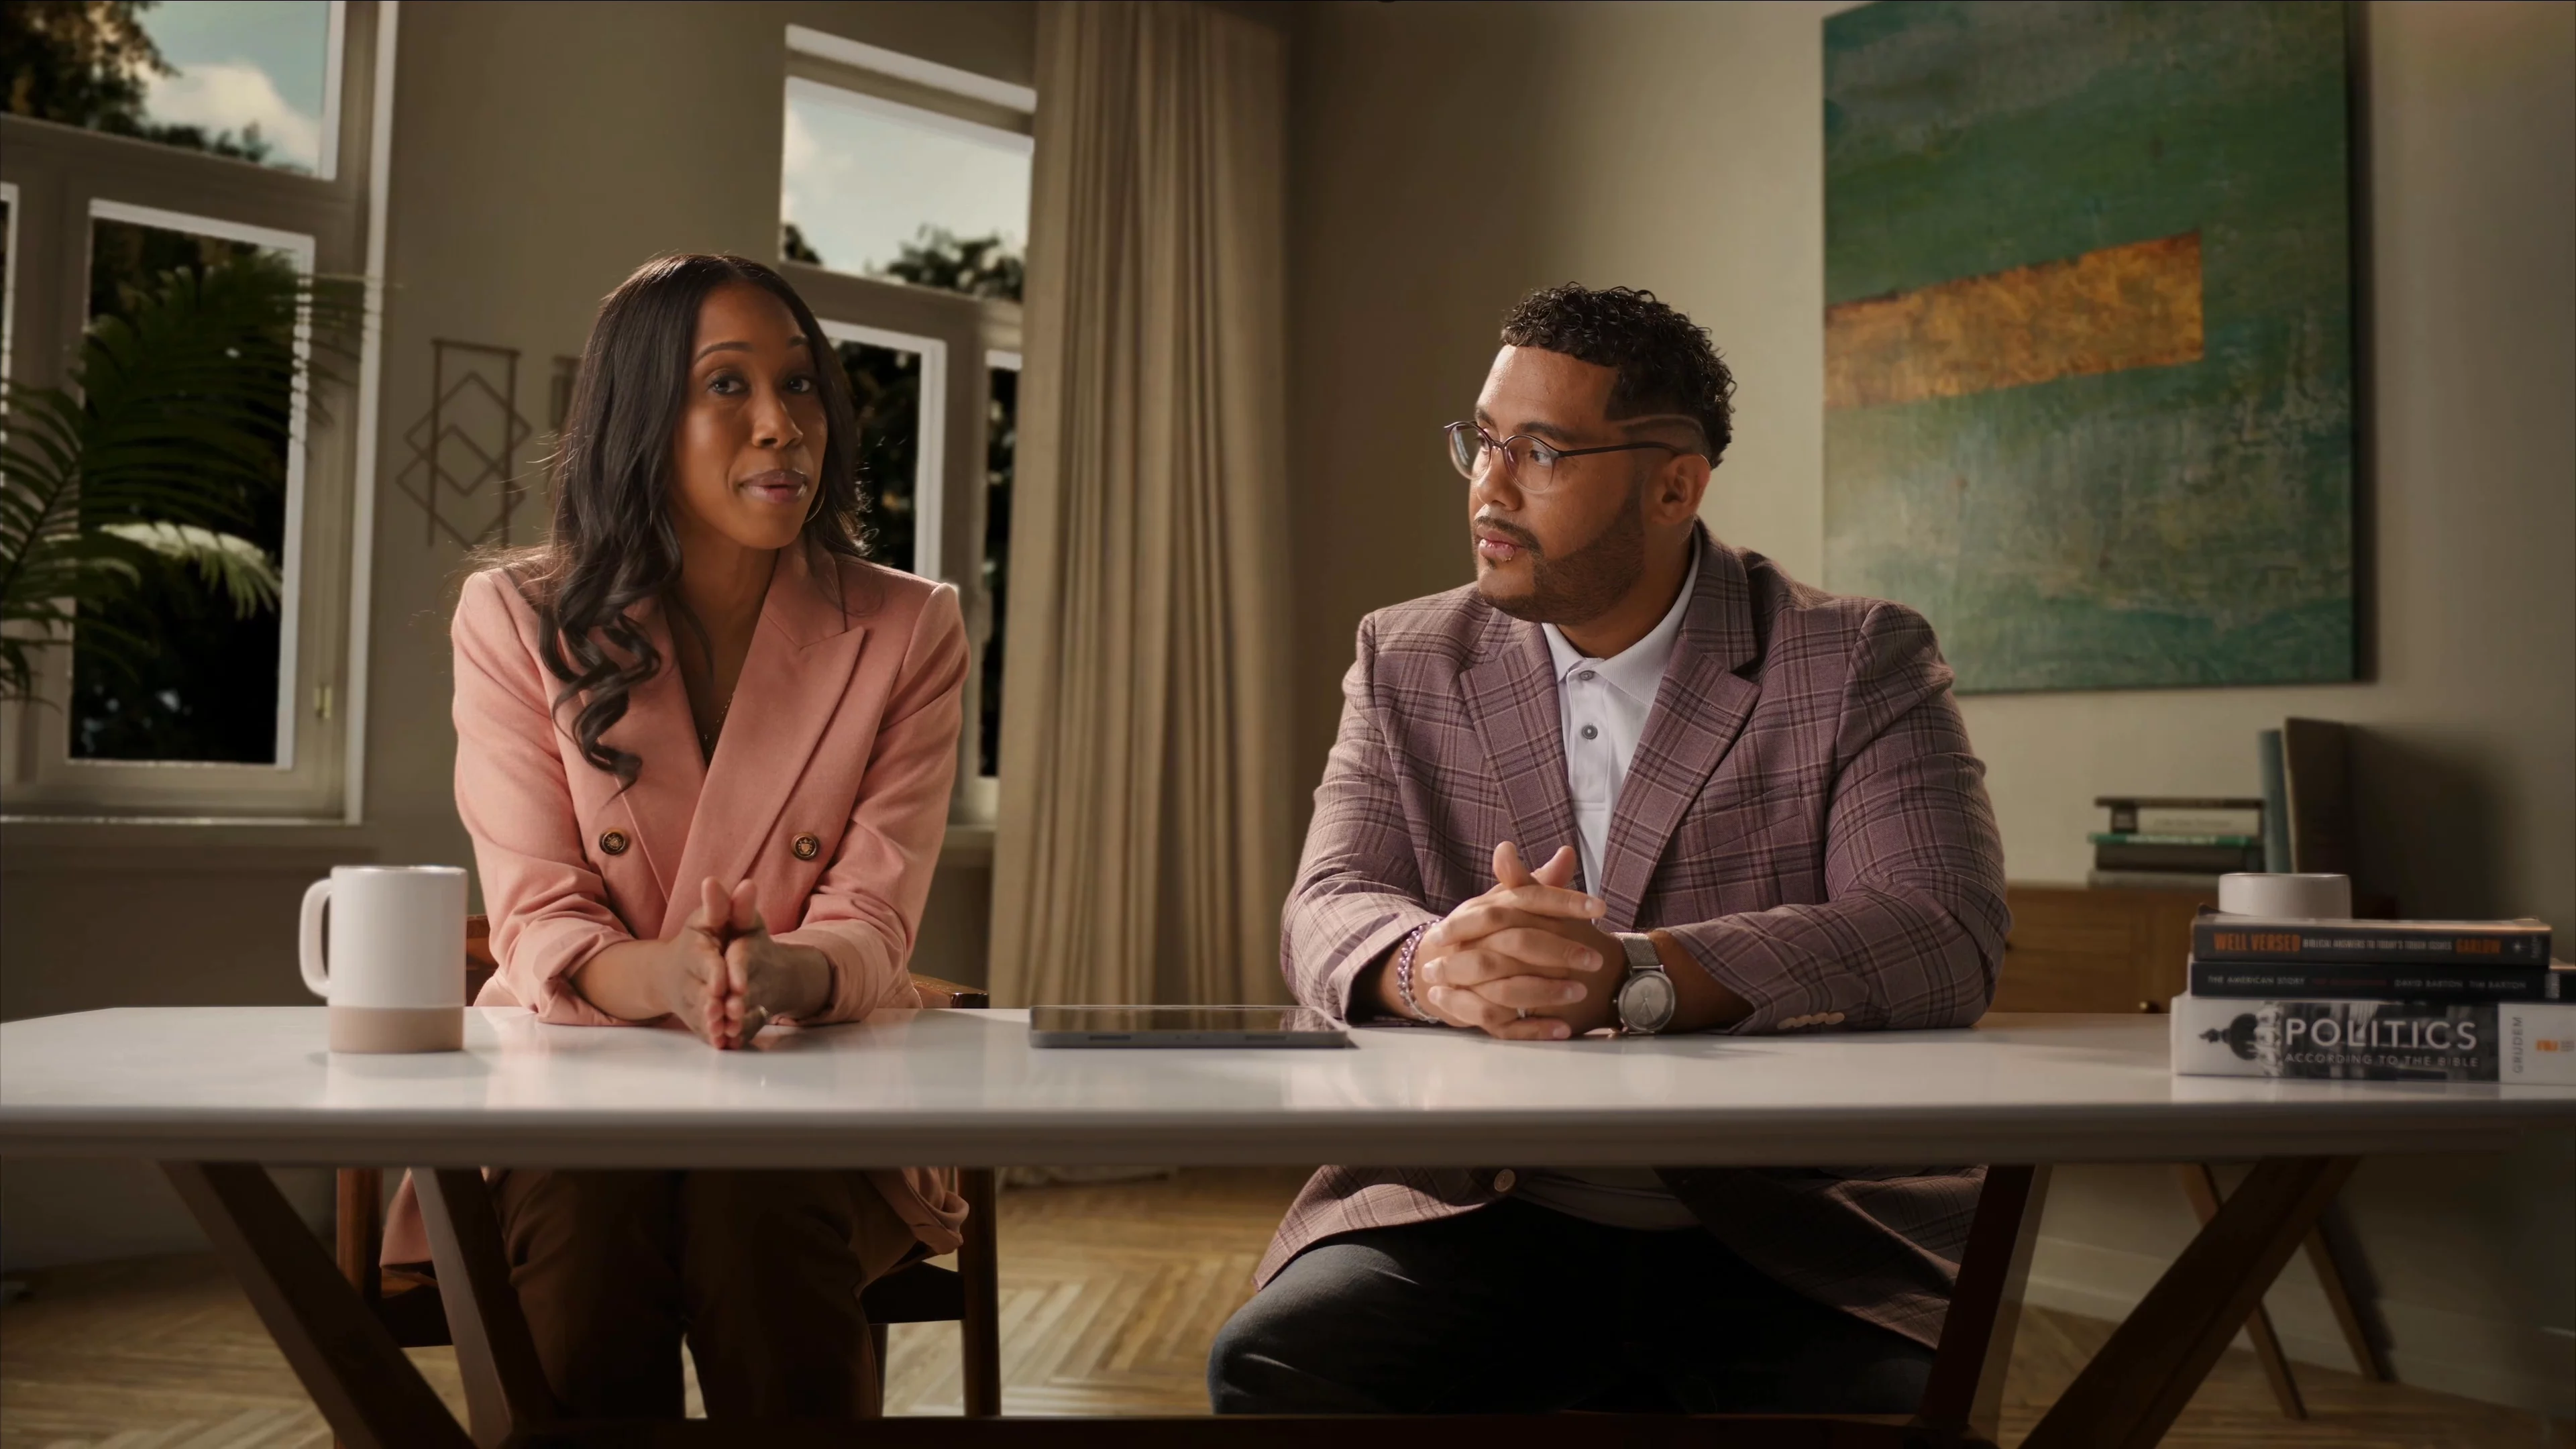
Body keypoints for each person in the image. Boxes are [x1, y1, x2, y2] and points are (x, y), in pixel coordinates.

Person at [1208, 284, 2009, 1415]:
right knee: (1273, 1367)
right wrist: (1434, 965)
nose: (1489, 488)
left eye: (1540, 452)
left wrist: (1637, 975)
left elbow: (1943, 930)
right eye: (1483, 441)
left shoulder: (1854, 658)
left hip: (1791, 1230)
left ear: (1674, 486)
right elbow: (1328, 902)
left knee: (1885, 1408)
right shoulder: (1406, 656)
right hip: (1471, 1207)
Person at [380, 253, 971, 1420]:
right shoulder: (515, 619)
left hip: (811, 1084)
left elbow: (873, 917)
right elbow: (539, 917)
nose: (781, 424)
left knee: (759, 1207)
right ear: (641, 417)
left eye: (801, 385)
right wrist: (677, 976)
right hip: (571, 1091)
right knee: (590, 1218)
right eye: (728, 386)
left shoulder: (910, 627)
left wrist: (783, 973)